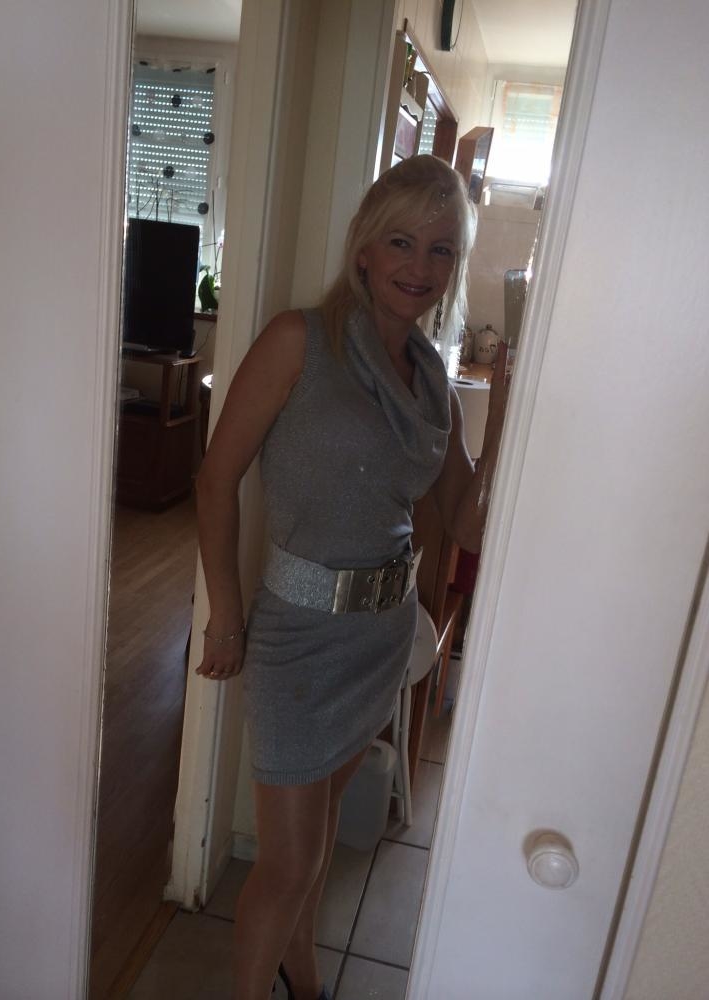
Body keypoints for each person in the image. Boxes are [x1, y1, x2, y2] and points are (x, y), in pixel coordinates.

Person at [195, 154, 507, 1000]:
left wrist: (507, 408)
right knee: (288, 863)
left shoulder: (433, 382)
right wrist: (225, 615)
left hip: (380, 636)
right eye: (401, 242)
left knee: (323, 827)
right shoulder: (299, 340)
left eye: (441, 249)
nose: (419, 266)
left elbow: (467, 521)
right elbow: (216, 479)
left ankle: (301, 974)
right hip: (299, 639)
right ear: (364, 248)